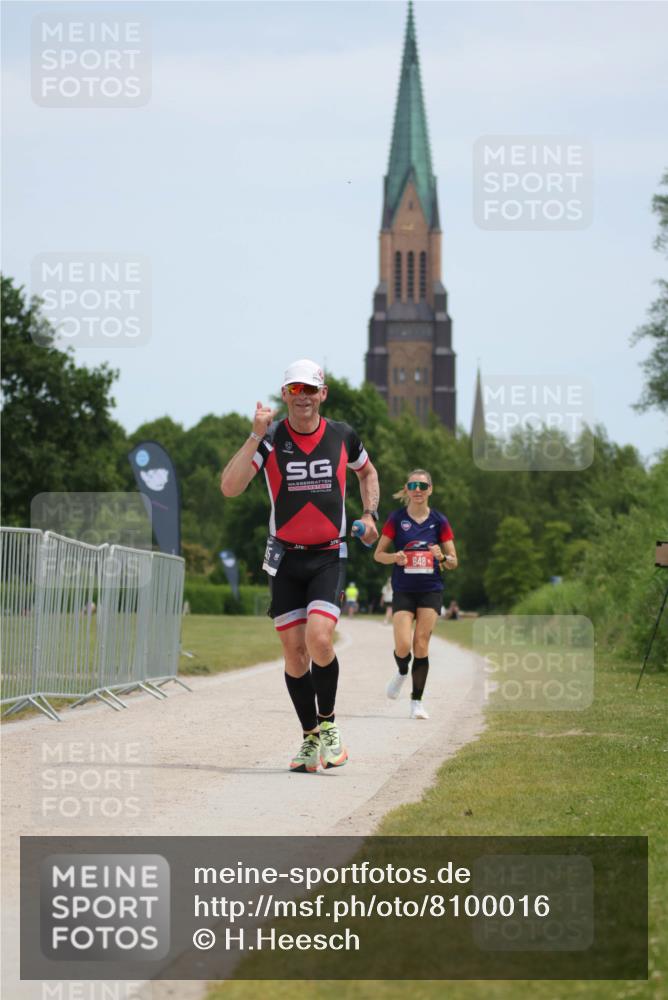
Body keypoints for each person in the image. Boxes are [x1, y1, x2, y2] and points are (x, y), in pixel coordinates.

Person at [221, 359, 379, 772]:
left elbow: (368, 473)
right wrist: (255, 435)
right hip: (286, 558)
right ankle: (310, 739)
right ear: (284, 394)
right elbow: (230, 488)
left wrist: (370, 514)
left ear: (323, 394)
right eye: (295, 390)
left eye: (310, 389)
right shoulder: (271, 439)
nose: (303, 397)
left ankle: (329, 728)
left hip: (328, 553)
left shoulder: (343, 435)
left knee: (320, 640)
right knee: (294, 654)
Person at [373, 469, 457, 719]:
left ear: (430, 489)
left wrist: (441, 557)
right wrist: (394, 557)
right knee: (402, 645)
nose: (418, 490)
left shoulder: (439, 521)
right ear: (407, 489)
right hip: (404, 590)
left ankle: (416, 703)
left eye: (422, 485)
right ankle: (401, 672)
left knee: (421, 644)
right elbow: (378, 555)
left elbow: (453, 561)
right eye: (413, 485)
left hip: (431, 589)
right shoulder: (397, 519)